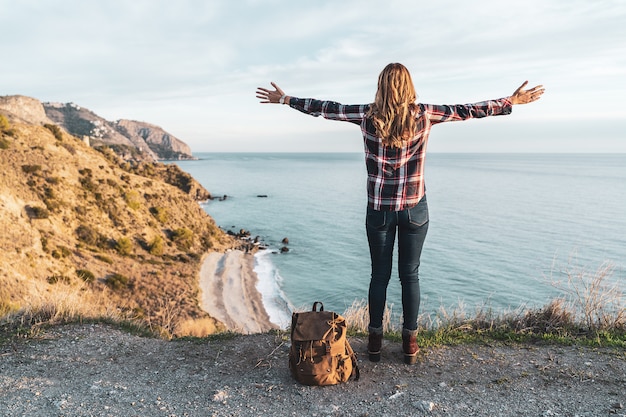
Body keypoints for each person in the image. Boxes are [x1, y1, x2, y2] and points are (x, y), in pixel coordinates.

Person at [256, 63, 544, 364]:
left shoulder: (367, 115)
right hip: (414, 209)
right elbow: (467, 110)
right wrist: (510, 102)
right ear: (409, 86)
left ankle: (375, 343)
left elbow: (327, 108)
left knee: (379, 276)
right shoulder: (425, 114)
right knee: (410, 275)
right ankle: (409, 343)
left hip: (379, 209)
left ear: (380, 86)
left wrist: (287, 100)